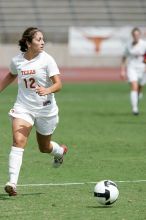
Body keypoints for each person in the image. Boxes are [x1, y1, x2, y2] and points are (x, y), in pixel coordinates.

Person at [0, 27, 68, 196]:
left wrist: (48, 90)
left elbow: (59, 84)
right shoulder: (17, 61)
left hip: (46, 111)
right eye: (38, 39)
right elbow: (11, 75)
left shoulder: (47, 60)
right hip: (23, 108)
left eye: (43, 39)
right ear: (28, 43)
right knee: (18, 141)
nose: (43, 42)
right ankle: (12, 183)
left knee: (44, 148)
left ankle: (59, 152)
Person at [120, 27, 146, 115]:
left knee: (140, 87)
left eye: (138, 35)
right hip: (132, 67)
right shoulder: (128, 45)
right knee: (134, 86)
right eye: (134, 35)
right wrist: (122, 70)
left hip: (143, 68)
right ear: (132, 35)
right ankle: (135, 108)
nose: (136, 36)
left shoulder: (144, 44)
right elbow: (124, 58)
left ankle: (138, 95)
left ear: (140, 35)